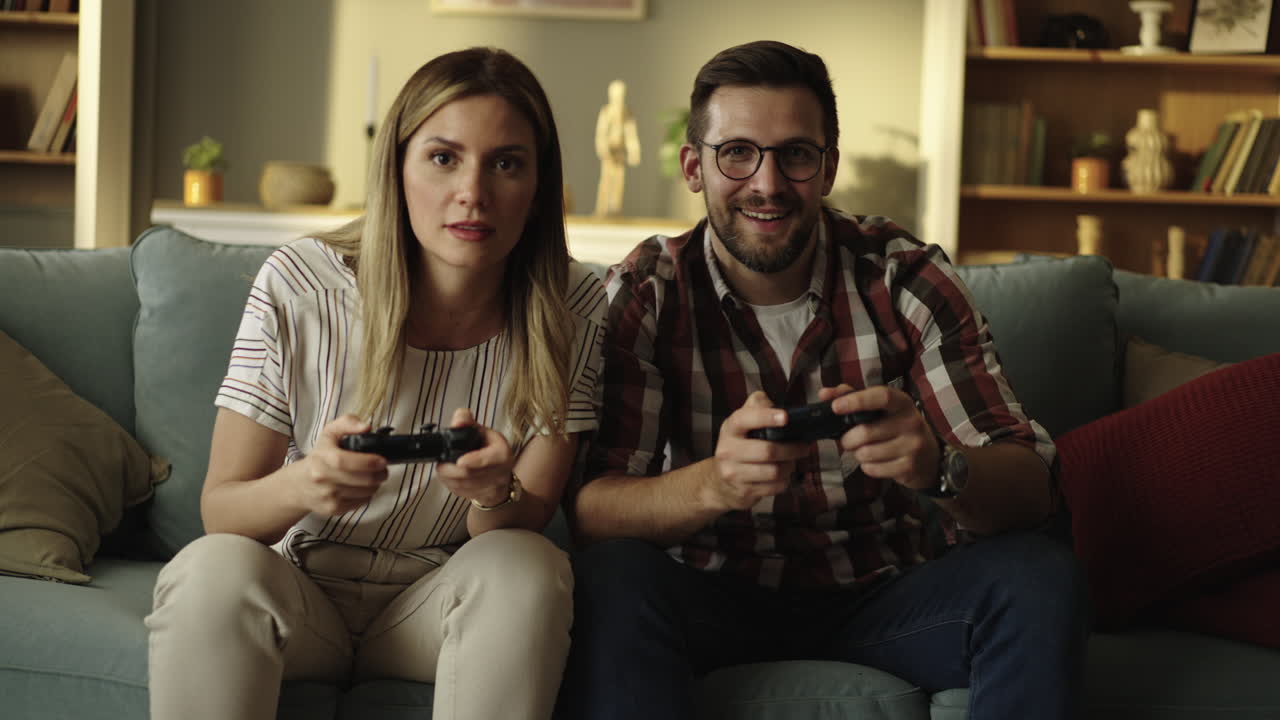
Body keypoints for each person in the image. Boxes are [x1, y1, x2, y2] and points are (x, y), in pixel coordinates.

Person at [558, 40, 1087, 720]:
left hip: (887, 596)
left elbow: (1035, 490)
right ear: (695, 166)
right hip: (709, 594)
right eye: (738, 152)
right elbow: (592, 512)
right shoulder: (646, 292)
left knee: (1038, 578)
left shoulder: (907, 278)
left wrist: (938, 466)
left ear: (829, 167)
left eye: (796, 155)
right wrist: (715, 482)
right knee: (612, 580)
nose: (768, 184)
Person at [146, 47, 606, 720]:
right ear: (397, 169)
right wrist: (307, 483)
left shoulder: (574, 306)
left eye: (506, 163)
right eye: (443, 157)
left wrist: (491, 492)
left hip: (440, 601)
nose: (472, 192)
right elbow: (222, 510)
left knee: (527, 565)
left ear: (538, 186)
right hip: (301, 592)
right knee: (211, 570)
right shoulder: (299, 285)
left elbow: (526, 515)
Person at [593, 79, 641, 216]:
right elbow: (601, 132)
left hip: (619, 151)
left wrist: (634, 152)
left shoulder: (626, 113)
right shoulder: (607, 111)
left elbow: (631, 134)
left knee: (619, 180)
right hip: (609, 151)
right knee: (606, 180)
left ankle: (616, 208)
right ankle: (602, 208)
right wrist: (602, 147)